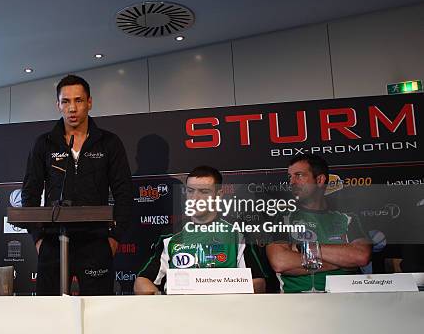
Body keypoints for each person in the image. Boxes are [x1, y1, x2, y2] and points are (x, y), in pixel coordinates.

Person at [22, 74, 133, 295]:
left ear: (89, 102)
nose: (72, 108)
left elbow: (124, 193)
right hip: (53, 243)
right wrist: (38, 239)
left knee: (98, 315)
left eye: (78, 100)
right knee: (50, 316)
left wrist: (114, 238)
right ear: (58, 105)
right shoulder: (43, 143)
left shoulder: (109, 142)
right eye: (66, 101)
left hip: (96, 242)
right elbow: (30, 192)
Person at [134, 166, 267, 294]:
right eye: (190, 191)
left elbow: (258, 283)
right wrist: (165, 303)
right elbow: (142, 282)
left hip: (225, 311)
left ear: (219, 194)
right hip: (179, 311)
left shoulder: (237, 232)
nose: (195, 198)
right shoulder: (170, 234)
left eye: (204, 192)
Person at [266, 154, 371, 293]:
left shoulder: (348, 219)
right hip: (295, 305)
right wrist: (340, 263)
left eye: (299, 175)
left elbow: (361, 256)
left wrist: (303, 248)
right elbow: (280, 262)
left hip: (344, 303)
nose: (292, 182)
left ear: (320, 180)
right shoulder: (282, 219)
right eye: (290, 177)